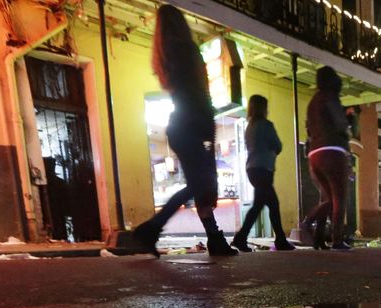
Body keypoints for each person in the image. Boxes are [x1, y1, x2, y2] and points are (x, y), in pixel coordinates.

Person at [133, 4, 235, 257]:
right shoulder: (188, 51)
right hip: (193, 122)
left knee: (198, 184)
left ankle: (213, 238)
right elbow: (202, 94)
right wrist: (209, 135)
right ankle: (152, 228)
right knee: (201, 183)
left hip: (178, 125)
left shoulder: (164, 56)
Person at [232, 95, 294, 252]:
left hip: (252, 169)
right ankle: (279, 240)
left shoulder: (249, 127)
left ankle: (242, 238)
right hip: (263, 169)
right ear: (263, 108)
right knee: (270, 204)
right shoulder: (266, 125)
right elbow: (278, 146)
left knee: (261, 205)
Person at [304, 66, 352, 251]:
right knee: (338, 198)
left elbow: (309, 129)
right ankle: (336, 239)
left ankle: (318, 239)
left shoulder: (313, 102)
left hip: (314, 153)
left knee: (326, 197)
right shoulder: (330, 97)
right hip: (332, 150)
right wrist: (348, 122)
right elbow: (340, 125)